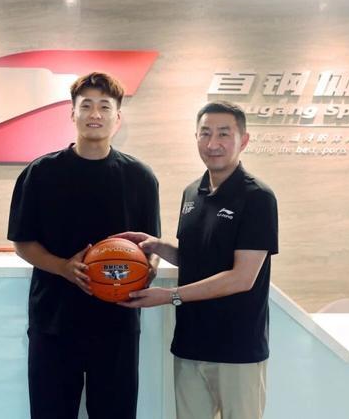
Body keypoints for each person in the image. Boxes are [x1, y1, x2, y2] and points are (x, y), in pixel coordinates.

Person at [7, 72, 160, 419]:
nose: (95, 114)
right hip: (54, 320)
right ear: (72, 113)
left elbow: (149, 247)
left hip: (117, 323)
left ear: (117, 118)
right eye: (86, 105)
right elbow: (23, 241)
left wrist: (144, 272)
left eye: (104, 106)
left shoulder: (140, 178)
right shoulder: (40, 173)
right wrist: (63, 267)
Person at [115, 101, 278, 419]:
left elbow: (241, 277)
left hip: (238, 348)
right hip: (190, 343)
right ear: (196, 137)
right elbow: (197, 259)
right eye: (205, 133)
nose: (213, 143)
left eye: (224, 134)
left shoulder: (257, 197)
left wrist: (170, 296)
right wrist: (158, 246)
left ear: (243, 140)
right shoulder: (192, 193)